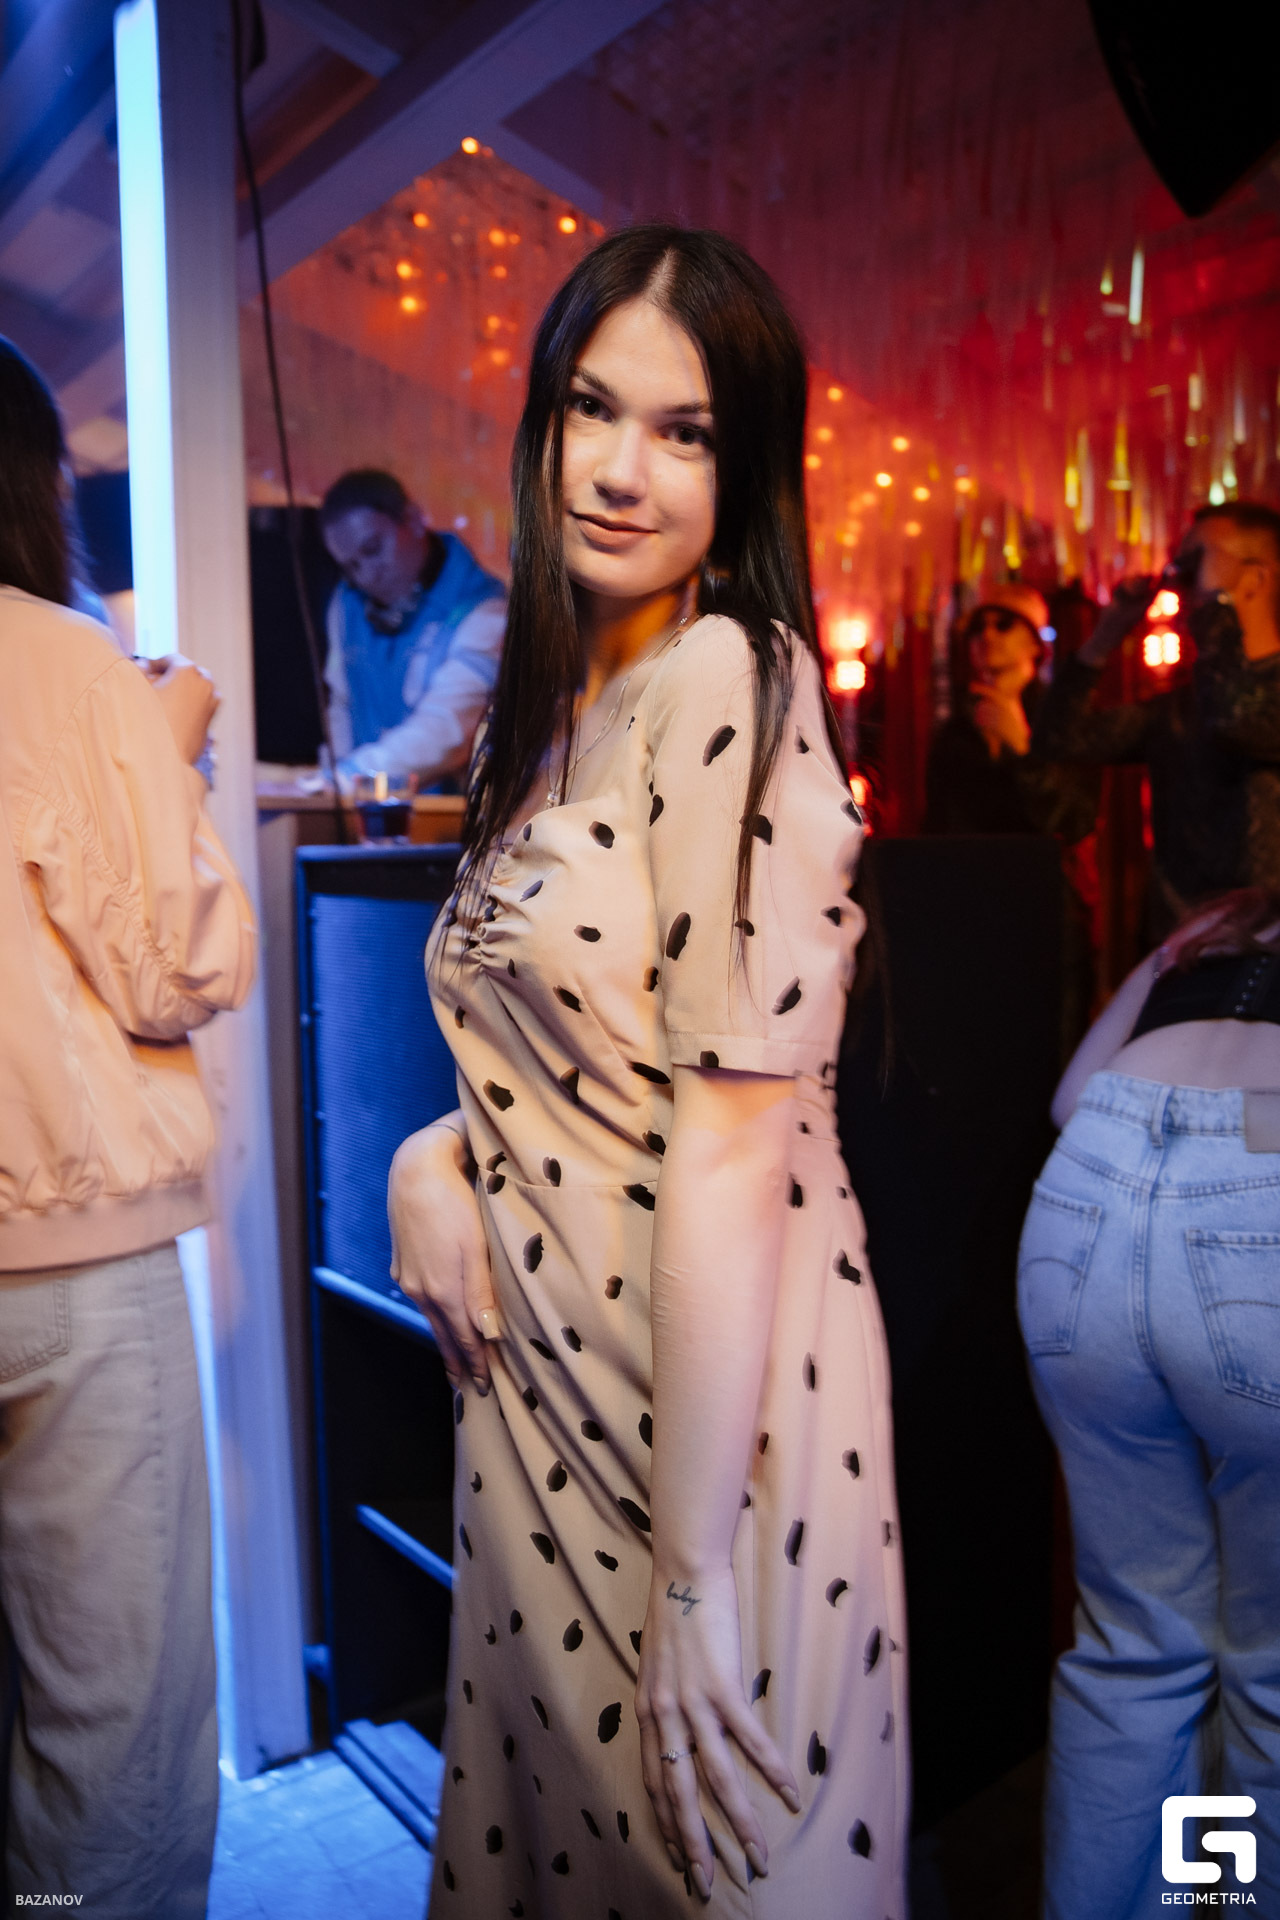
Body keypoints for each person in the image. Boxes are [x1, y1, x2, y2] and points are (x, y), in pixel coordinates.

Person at [388, 227, 907, 1916]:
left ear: (744, 470)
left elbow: (734, 1145)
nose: (619, 471)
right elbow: (565, 1043)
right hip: (535, 1396)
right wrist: (428, 1155)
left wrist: (691, 1579)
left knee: (715, 1863)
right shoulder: (542, 721)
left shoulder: (729, 675)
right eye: (591, 409)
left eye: (684, 433)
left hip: (698, 1423)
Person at [0, 337, 255, 1914]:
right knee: (117, 1742)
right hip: (69, 1263)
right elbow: (173, 968)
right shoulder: (64, 659)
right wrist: (170, 753)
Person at [1019, 887, 1280, 1918]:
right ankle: (1221, 1903)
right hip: (1258, 1202)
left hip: (1090, 1184)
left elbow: (1068, 1100)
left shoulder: (1216, 927)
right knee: (1268, 1667)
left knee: (1136, 1645)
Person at [1033, 502, 1280, 937]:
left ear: (1255, 578)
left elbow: (1237, 721)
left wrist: (1217, 605)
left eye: (1196, 563)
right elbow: (1060, 739)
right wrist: (1105, 636)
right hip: (1184, 948)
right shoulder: (1181, 706)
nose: (1179, 580)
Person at [924, 582, 1100, 1046]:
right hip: (974, 925)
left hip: (1048, 922)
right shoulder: (954, 734)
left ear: (1034, 643)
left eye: (1004, 624)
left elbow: (1074, 820)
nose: (988, 636)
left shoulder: (1061, 721)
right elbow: (938, 832)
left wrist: (1023, 750)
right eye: (977, 628)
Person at [319, 468, 506, 784]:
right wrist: (336, 782)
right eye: (350, 566)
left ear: (415, 519)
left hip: (452, 811)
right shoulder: (345, 603)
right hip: (363, 807)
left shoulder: (487, 612)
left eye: (372, 549)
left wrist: (348, 777)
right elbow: (341, 705)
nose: (366, 575)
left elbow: (446, 732)